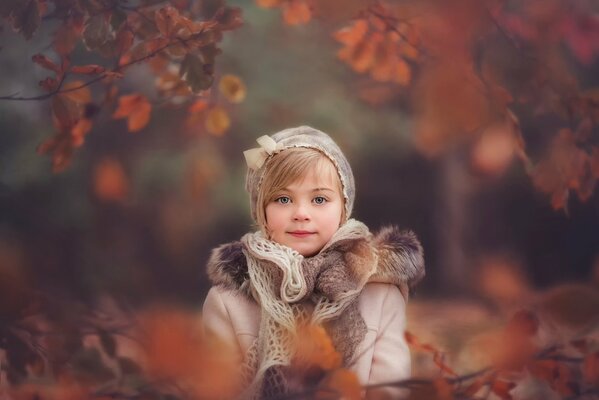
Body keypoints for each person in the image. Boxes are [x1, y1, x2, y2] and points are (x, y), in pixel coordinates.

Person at [202, 126, 425, 399]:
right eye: (283, 199)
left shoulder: (380, 295)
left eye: (319, 199)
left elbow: (388, 391)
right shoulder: (227, 302)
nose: (301, 213)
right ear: (262, 210)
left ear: (343, 208)